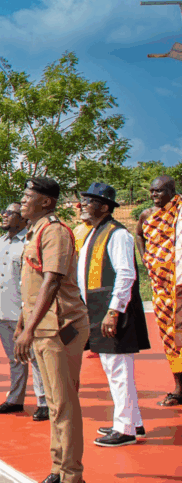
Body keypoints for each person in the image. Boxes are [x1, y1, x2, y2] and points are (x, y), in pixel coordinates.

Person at [14, 177, 89, 483]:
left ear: (45, 201)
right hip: (43, 326)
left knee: (64, 403)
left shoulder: (55, 231)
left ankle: (72, 475)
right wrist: (24, 321)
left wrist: (27, 330)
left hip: (61, 327)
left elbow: (52, 281)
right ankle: (58, 467)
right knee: (55, 404)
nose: (21, 201)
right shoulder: (35, 232)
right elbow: (31, 285)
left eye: (27, 196)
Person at [76, 182, 149, 447]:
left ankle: (125, 429)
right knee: (112, 367)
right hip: (98, 307)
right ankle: (132, 421)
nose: (83, 205)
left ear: (104, 207)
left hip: (111, 309)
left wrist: (114, 310)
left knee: (119, 369)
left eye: (90, 201)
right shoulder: (94, 233)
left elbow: (126, 274)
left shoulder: (117, 234)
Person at [0, 202, 48, 421]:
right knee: (14, 358)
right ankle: (15, 399)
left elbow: (33, 281)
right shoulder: (0, 243)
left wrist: (26, 314)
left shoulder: (29, 242)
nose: (3, 215)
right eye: (3, 211)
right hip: (2, 309)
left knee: (34, 357)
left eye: (9, 213)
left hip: (24, 312)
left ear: (22, 218)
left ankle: (44, 402)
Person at [135, 175, 182, 407]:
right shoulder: (147, 215)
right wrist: (144, 255)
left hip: (180, 284)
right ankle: (179, 388)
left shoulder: (180, 212)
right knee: (170, 336)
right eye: (152, 191)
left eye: (159, 191)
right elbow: (138, 234)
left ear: (172, 191)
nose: (154, 195)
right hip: (160, 287)